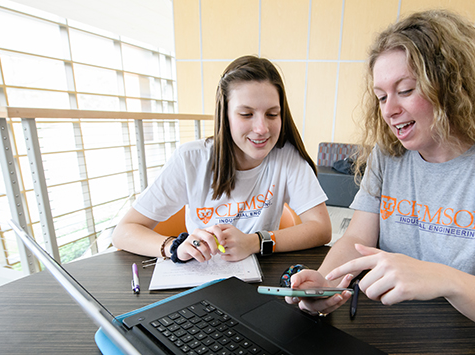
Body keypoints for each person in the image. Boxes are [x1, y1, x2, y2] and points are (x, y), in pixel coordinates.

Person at [286, 10, 475, 340]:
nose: (389, 110)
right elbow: (356, 240)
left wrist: (444, 279)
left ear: (453, 87)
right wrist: (325, 282)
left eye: (405, 90)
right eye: (381, 96)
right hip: (394, 331)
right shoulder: (388, 156)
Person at [112, 55, 332, 263]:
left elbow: (321, 228)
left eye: (272, 114)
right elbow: (123, 232)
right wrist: (175, 247)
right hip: (202, 274)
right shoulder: (190, 159)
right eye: (246, 114)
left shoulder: (287, 158)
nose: (262, 128)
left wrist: (254, 242)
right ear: (224, 115)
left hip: (257, 275)